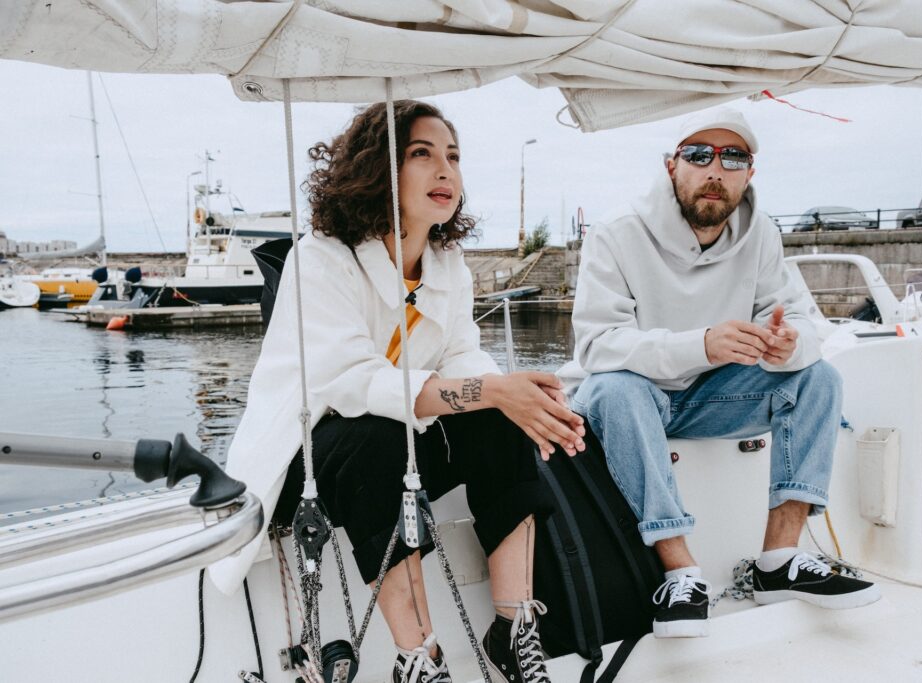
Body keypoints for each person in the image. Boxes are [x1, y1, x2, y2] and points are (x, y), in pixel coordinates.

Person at [213, 100, 586, 683]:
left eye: (453, 157)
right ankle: (420, 657)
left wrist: (515, 395)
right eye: (422, 154)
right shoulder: (320, 259)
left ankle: (515, 633)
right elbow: (355, 381)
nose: (445, 171)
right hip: (308, 466)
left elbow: (464, 355)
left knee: (499, 417)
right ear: (377, 169)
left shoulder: (447, 265)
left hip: (399, 453)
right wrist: (489, 388)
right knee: (375, 435)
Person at [558, 107, 879, 640]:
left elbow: (801, 320)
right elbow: (597, 345)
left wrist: (786, 346)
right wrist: (702, 345)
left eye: (733, 157)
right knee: (615, 389)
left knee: (819, 378)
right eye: (698, 154)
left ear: (749, 173)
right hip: (637, 401)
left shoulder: (762, 235)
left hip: (714, 399)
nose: (715, 169)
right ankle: (680, 573)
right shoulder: (617, 233)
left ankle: (779, 560)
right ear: (671, 167)